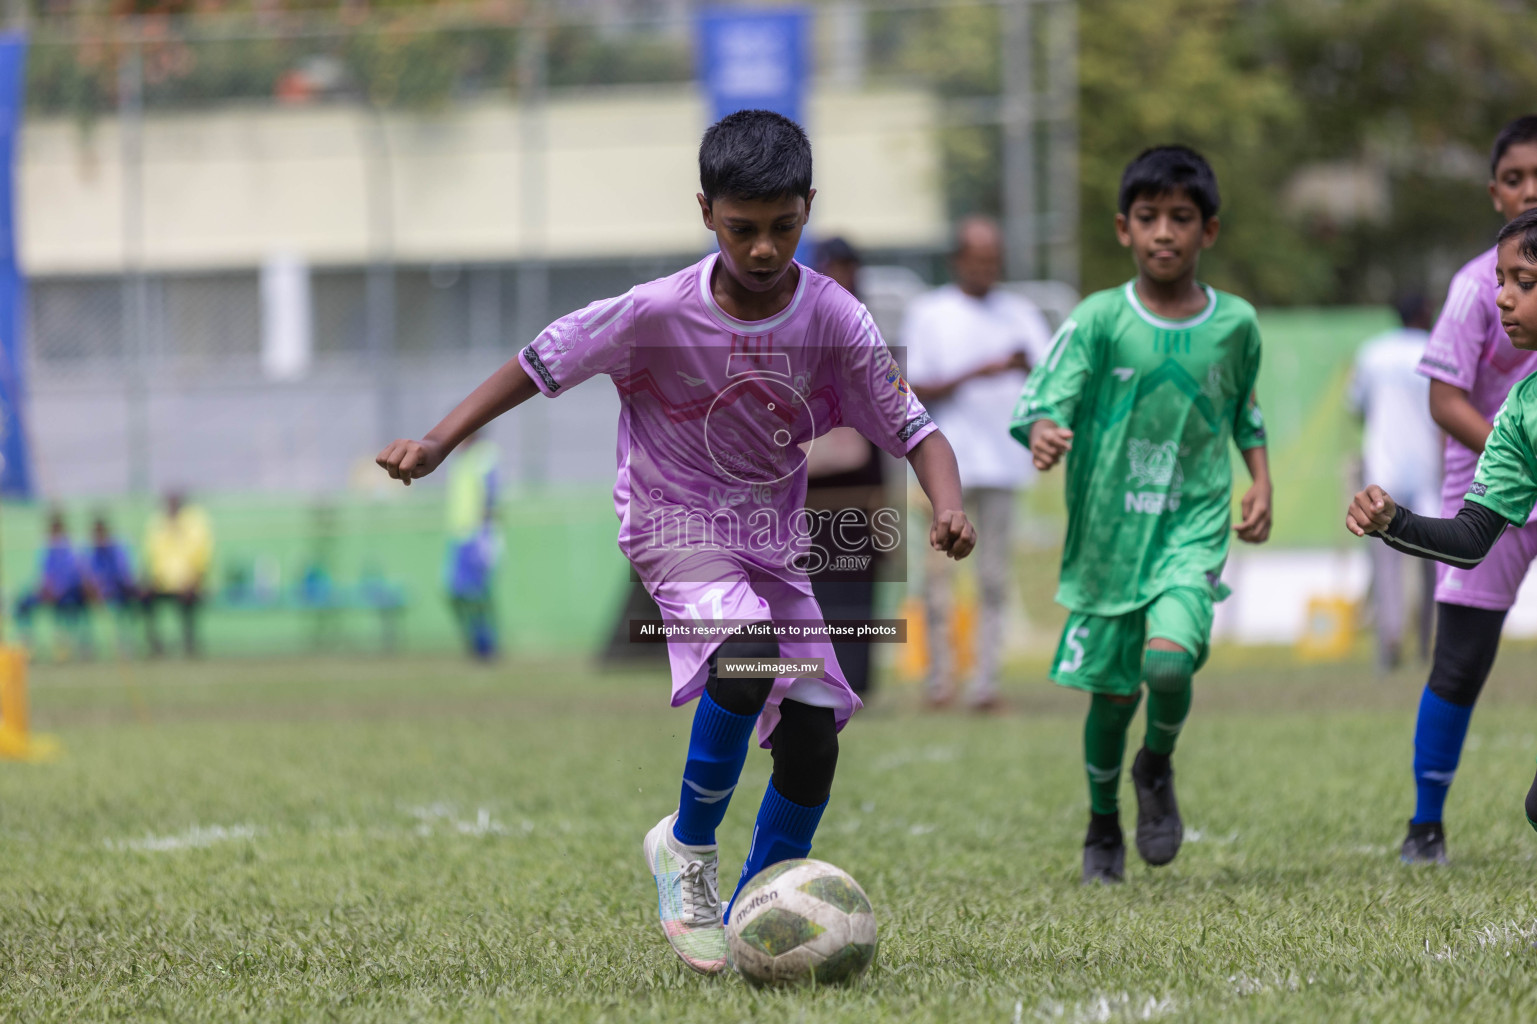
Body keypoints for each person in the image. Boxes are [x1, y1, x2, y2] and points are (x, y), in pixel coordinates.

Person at [376, 109, 975, 973]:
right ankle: (687, 853)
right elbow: (538, 363)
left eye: (782, 227)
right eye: (742, 229)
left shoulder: (835, 318)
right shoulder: (655, 311)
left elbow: (916, 428)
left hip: (771, 546)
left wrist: (946, 504)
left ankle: (750, 919)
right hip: (670, 525)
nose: (764, 249)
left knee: (812, 740)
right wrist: (439, 439)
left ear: (807, 206)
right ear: (705, 213)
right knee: (747, 649)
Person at [1009, 146, 1272, 884]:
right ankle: (1101, 822)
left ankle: (1153, 764)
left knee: (1166, 661)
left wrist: (1260, 481)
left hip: (1191, 525)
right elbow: (1042, 396)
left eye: (1180, 219)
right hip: (1107, 538)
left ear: (1208, 231)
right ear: (1123, 229)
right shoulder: (1097, 318)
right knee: (1112, 691)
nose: (1164, 233)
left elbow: (1242, 408)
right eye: (1148, 218)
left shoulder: (1236, 324)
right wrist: (1042, 431)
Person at [1347, 207, 1537, 842]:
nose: (1503, 296)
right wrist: (1391, 521)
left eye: (1525, 283)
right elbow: (1468, 541)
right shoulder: (1517, 412)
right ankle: (1425, 824)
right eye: (1502, 281)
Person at [1392, 115, 1537, 864]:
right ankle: (1424, 823)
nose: (1527, 188)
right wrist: (1518, 462)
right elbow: (1445, 401)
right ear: (1492, 191)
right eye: (1513, 177)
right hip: (1492, 486)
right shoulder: (1472, 287)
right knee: (1460, 658)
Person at [904, 216, 1053, 710]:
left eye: (994, 260)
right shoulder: (931, 312)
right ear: (958, 260)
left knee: (993, 579)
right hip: (945, 470)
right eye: (978, 259)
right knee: (939, 579)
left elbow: (1051, 376)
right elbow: (914, 387)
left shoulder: (1020, 313)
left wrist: (1023, 368)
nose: (987, 269)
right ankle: (940, 679)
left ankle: (985, 682)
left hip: (1004, 466)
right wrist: (980, 371)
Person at [802, 235, 887, 696]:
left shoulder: (863, 333)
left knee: (855, 593)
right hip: (809, 498)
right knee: (814, 597)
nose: (842, 276)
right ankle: (822, 682)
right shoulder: (800, 331)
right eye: (834, 266)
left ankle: (856, 685)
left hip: (856, 497)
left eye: (848, 267)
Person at [1347, 293, 1441, 671]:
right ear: (1424, 314)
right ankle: (1430, 641)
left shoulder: (1373, 353)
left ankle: (1390, 639)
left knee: (1385, 561)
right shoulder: (1437, 350)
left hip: (1381, 472)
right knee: (1437, 558)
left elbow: (1356, 407)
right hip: (1429, 471)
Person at [444, 434, 502, 660]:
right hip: (458, 535)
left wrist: (484, 535)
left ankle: (485, 647)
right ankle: (476, 642)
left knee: (477, 594)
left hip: (476, 535)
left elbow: (490, 495)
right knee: (456, 592)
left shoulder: (484, 455)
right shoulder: (459, 458)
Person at [142, 491, 213, 657]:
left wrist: (193, 581)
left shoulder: (194, 525)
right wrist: (150, 582)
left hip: (188, 585)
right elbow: (150, 558)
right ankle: (155, 645)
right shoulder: (157, 525)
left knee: (188, 600)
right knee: (144, 598)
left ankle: (190, 644)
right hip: (162, 584)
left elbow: (202, 558)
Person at [15, 509, 93, 657]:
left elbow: (76, 575)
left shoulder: (71, 549)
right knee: (23, 602)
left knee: (69, 605)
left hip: (67, 593)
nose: (55, 532)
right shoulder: (46, 548)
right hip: (49, 592)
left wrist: (59, 590)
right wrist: (46, 588)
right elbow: (42, 575)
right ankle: (27, 643)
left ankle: (68, 644)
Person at [85, 514, 139, 654]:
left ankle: (127, 641)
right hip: (103, 593)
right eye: (96, 535)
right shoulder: (92, 553)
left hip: (120, 591)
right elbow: (91, 577)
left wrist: (108, 588)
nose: (98, 538)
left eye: (100, 534)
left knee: (128, 602)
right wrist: (98, 589)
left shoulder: (118, 550)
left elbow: (124, 576)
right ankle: (87, 644)